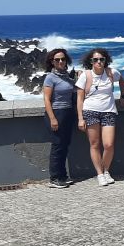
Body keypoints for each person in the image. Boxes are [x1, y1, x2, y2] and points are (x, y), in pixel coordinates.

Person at [76, 48, 124, 187]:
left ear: (105, 60)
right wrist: (80, 118)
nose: (99, 62)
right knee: (95, 144)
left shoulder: (111, 72)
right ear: (91, 61)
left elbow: (122, 80)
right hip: (90, 111)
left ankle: (106, 170)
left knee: (108, 144)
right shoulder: (85, 75)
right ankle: (100, 174)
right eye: (95, 59)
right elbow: (80, 98)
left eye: (101, 59)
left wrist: (123, 95)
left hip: (108, 111)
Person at [42, 48, 76, 189]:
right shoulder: (50, 77)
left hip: (68, 112)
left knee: (64, 145)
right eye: (57, 60)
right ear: (52, 62)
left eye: (63, 59)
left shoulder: (66, 76)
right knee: (57, 146)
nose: (61, 61)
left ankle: (62, 175)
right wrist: (53, 118)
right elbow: (46, 99)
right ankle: (54, 178)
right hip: (56, 113)